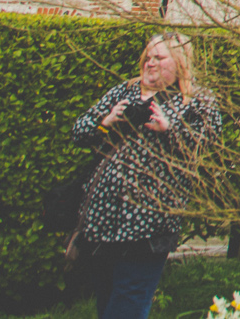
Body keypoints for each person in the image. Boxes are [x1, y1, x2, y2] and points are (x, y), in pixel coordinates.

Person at [71, 33, 224, 319]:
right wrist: (105, 121)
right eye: (148, 57)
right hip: (102, 218)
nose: (150, 63)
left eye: (159, 58)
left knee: (128, 303)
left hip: (149, 223)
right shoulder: (123, 92)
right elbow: (79, 131)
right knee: (106, 299)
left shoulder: (196, 101)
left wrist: (172, 130)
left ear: (179, 63)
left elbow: (210, 145)